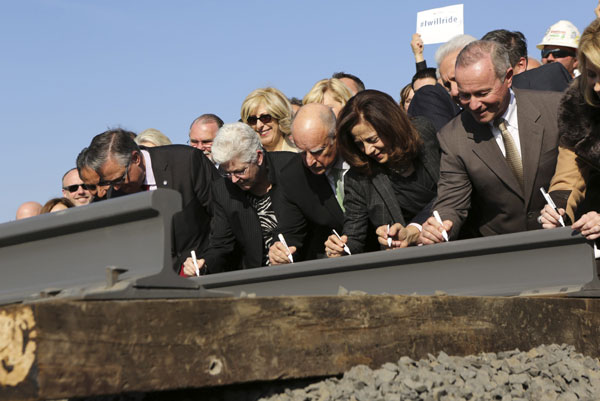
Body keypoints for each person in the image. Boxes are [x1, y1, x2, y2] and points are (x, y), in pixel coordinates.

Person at [420, 40, 562, 244]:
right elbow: (452, 201)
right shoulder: (453, 137)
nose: (474, 104)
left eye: (482, 93)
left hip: (567, 244)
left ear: (508, 77)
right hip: (504, 255)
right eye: (465, 96)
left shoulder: (555, 109)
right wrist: (440, 226)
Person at [324, 90, 439, 257]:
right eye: (360, 144)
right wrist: (340, 248)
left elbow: (452, 189)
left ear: (391, 126)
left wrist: (416, 227)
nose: (368, 150)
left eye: (372, 139)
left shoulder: (424, 134)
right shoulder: (359, 178)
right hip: (408, 265)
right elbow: (354, 237)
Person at [84, 128, 219, 270]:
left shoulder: (186, 162)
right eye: (110, 182)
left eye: (119, 179)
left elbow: (221, 215)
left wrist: (208, 260)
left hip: (207, 272)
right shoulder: (116, 194)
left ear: (136, 158)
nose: (116, 187)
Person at [180, 123, 296, 276]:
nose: (234, 180)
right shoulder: (223, 189)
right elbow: (221, 244)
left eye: (240, 171)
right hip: (256, 278)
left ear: (259, 157)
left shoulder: (290, 168)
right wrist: (203, 264)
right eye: (227, 172)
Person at [540, 18, 600, 238]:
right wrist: (558, 209)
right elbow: (570, 174)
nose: (597, 87)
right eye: (592, 74)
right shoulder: (578, 106)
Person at [268, 103, 346, 264]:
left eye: (317, 151)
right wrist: (280, 251)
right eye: (302, 152)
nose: (309, 161)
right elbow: (290, 233)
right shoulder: (292, 176)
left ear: (336, 136)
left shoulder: (362, 154)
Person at [482, 29, 572, 92]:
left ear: (521, 65)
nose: (550, 58)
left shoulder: (547, 90)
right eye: (545, 53)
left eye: (496, 70)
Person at [240, 87, 297, 152]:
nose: (259, 125)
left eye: (265, 118)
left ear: (280, 117)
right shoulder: (247, 159)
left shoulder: (301, 157)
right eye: (252, 120)